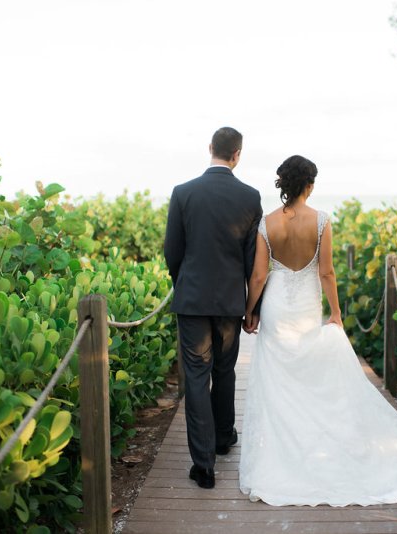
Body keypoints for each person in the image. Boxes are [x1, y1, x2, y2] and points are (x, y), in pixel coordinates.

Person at [238, 155, 397, 506]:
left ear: (283, 184)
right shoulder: (321, 221)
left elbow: (258, 276)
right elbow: (327, 273)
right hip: (305, 308)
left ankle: (282, 457)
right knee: (310, 377)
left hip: (278, 307)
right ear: (309, 185)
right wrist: (336, 313)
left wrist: (249, 311)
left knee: (277, 380)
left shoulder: (266, 224)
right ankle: (316, 450)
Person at [164, 127, 262, 489]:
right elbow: (254, 261)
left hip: (192, 298)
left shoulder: (183, 193)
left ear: (211, 149)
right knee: (224, 370)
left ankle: (204, 465)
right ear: (237, 154)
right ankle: (223, 438)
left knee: (196, 376)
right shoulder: (250, 197)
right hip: (229, 301)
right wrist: (254, 307)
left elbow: (172, 250)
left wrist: (184, 283)